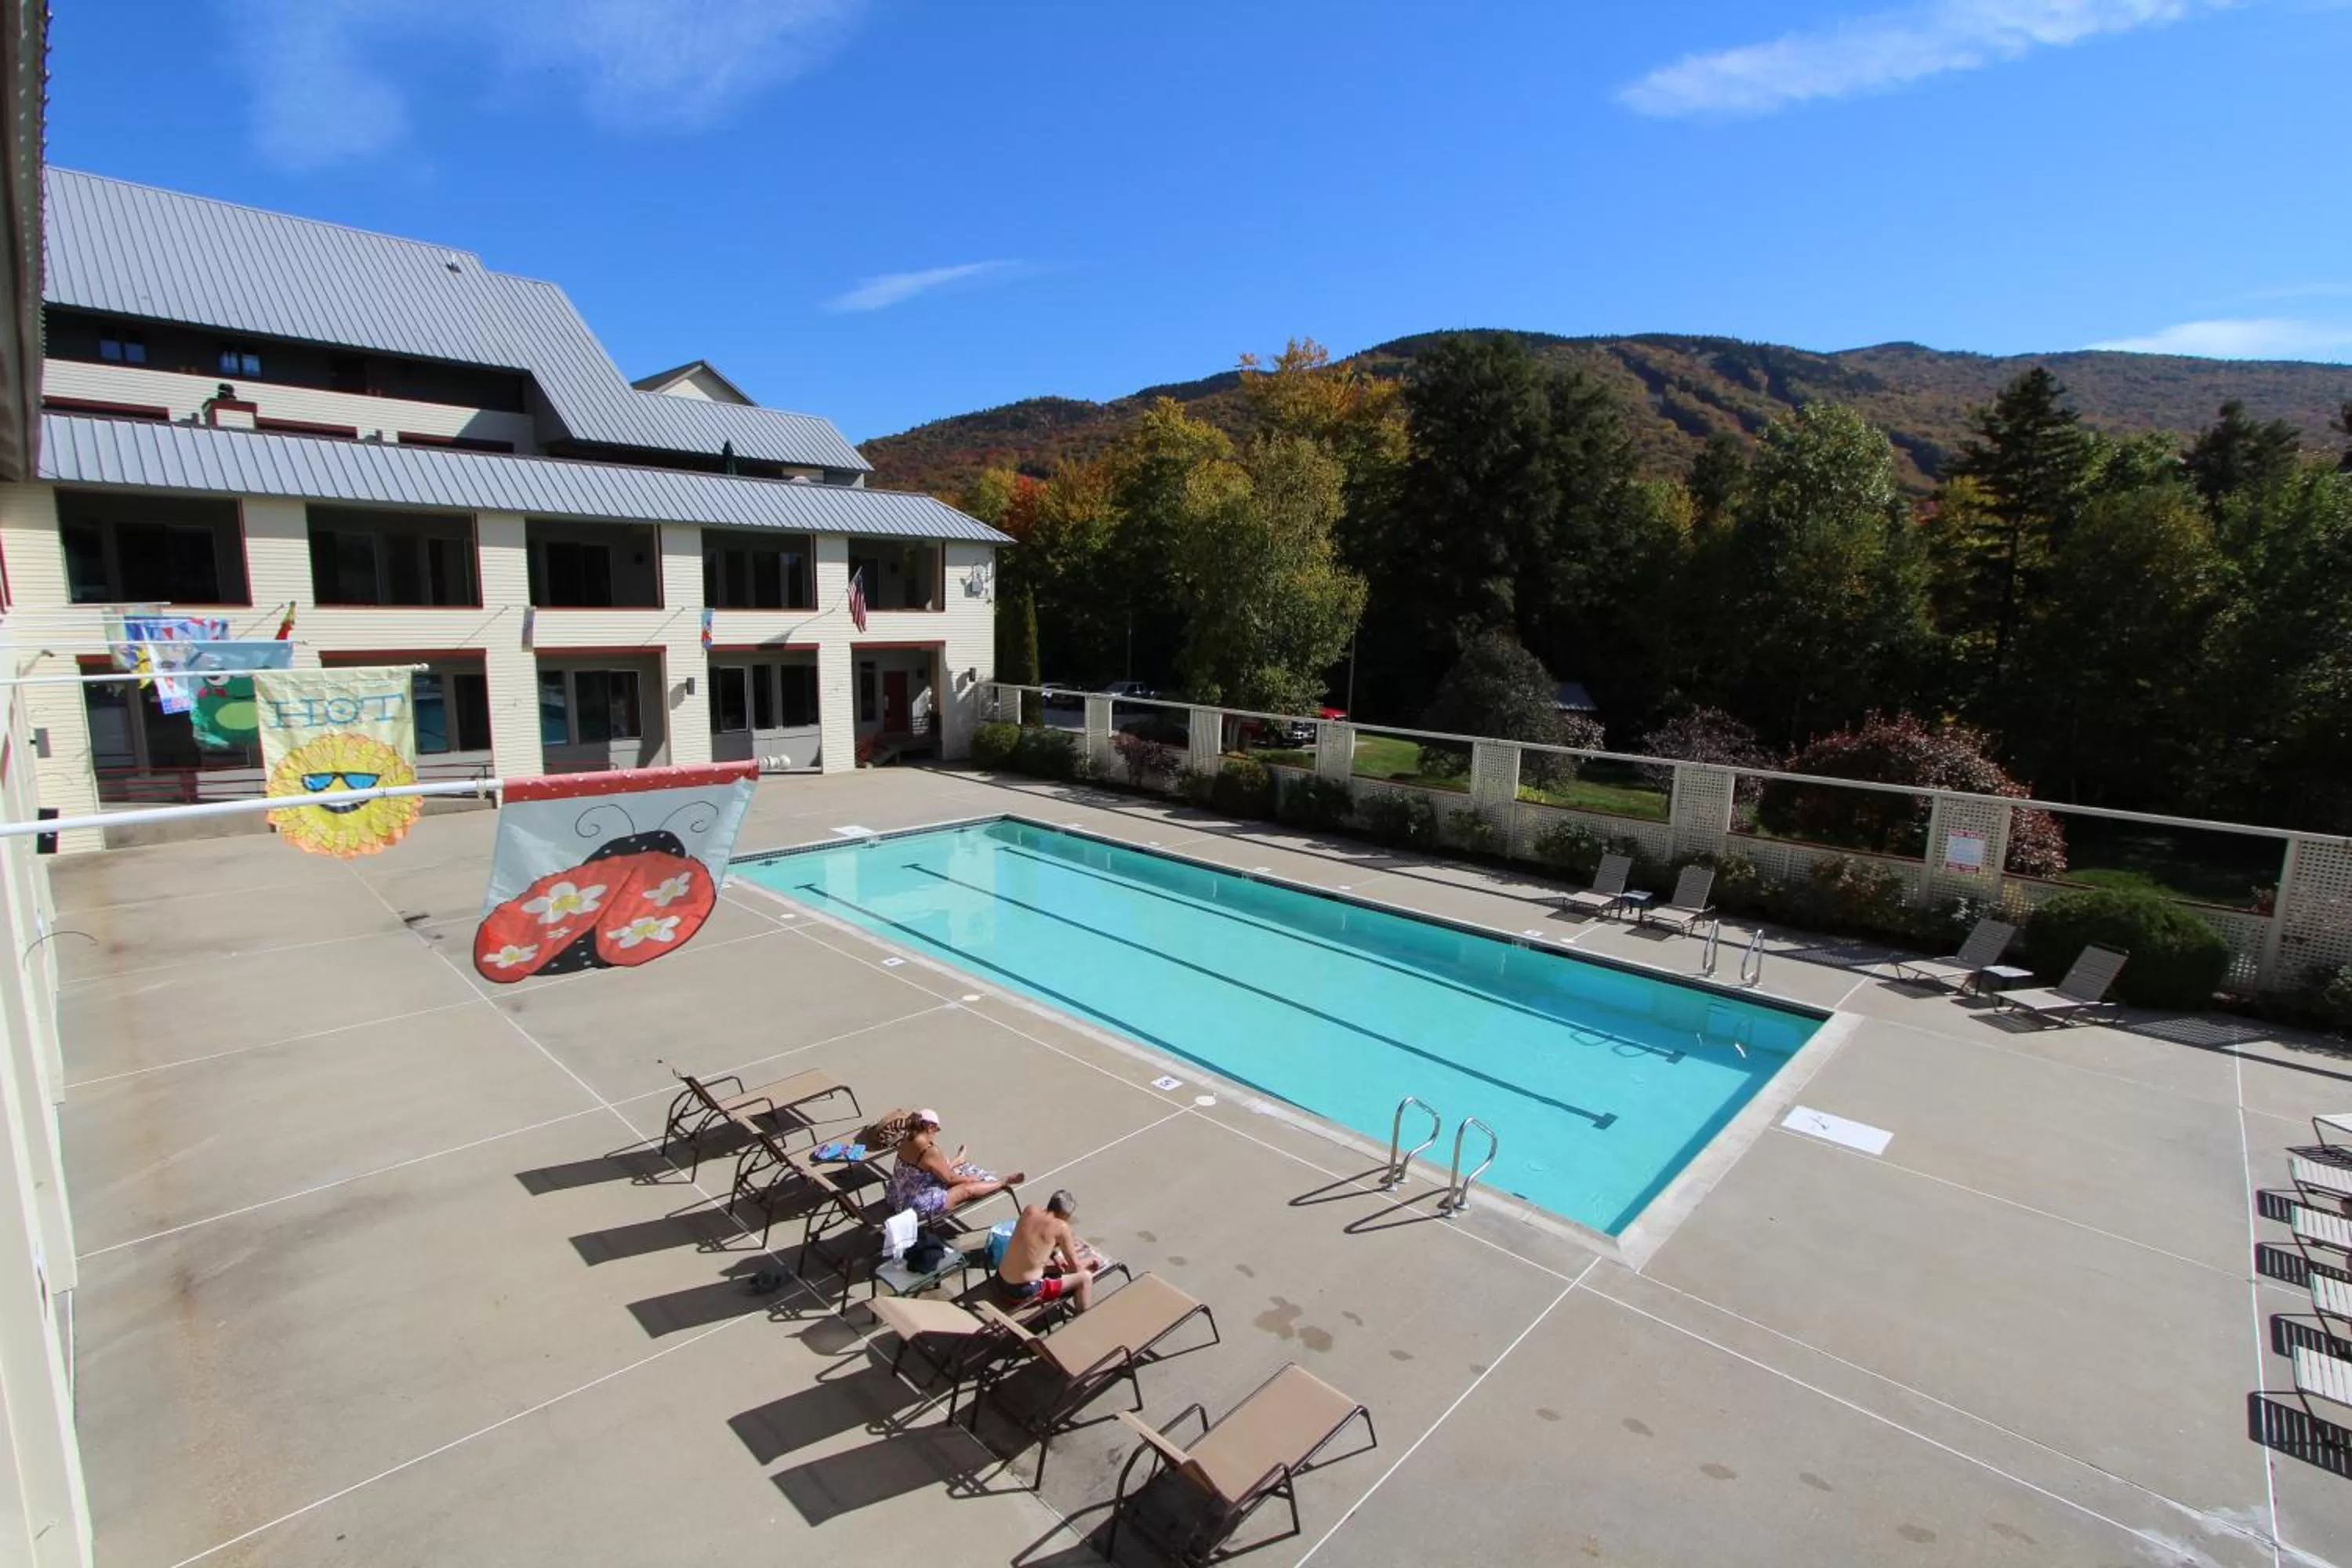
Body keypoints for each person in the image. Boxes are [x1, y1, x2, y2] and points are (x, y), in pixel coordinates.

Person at [884, 1109, 1022, 1220]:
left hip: (896, 1195)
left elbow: (928, 1168)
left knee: (938, 1166)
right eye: (937, 1130)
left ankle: (957, 1161)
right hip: (914, 1207)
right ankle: (1003, 1182)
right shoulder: (929, 1149)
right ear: (931, 1127)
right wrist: (970, 1179)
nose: (936, 1134)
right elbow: (949, 1179)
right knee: (966, 1189)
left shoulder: (908, 1138)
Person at [996, 1189, 1104, 1313]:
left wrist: (1055, 1255)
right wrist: (1090, 1261)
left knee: (1054, 1268)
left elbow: (1031, 1241)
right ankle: (1082, 1317)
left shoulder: (1029, 1210)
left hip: (1000, 1281)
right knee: (1085, 1278)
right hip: (1022, 1292)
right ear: (1066, 1215)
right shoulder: (1061, 1227)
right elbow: (1075, 1268)